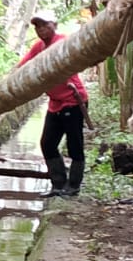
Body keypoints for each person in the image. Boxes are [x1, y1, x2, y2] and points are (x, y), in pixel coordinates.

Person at [19, 11, 93, 196]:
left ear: (55, 25)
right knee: (47, 144)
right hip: (55, 103)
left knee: (74, 145)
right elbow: (22, 66)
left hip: (73, 101)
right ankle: (58, 184)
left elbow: (51, 61)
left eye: (45, 25)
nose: (41, 29)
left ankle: (73, 186)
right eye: (38, 26)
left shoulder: (61, 42)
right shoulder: (39, 46)